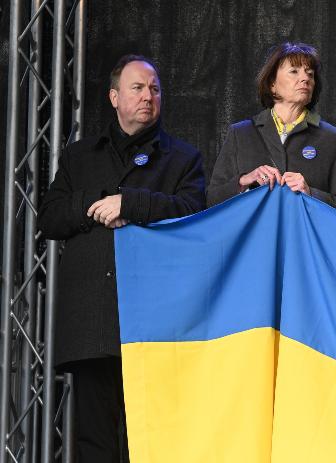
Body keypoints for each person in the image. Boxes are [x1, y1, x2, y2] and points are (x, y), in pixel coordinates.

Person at [37, 54, 206, 462]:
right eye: (137, 88)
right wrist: (96, 203)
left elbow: (195, 213)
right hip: (91, 321)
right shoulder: (80, 156)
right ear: (114, 97)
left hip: (154, 319)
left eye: (155, 89)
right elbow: (50, 218)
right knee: (93, 441)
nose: (148, 96)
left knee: (149, 439)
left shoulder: (183, 158)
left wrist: (130, 203)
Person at [206, 42, 336, 219]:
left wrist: (311, 194)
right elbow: (211, 200)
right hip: (254, 244)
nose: (305, 78)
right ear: (272, 83)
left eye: (310, 74)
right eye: (294, 71)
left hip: (305, 245)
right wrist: (243, 181)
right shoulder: (240, 134)